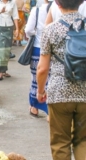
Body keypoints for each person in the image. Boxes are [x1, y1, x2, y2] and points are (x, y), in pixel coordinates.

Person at [36, 0, 86, 159]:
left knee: (60, 143)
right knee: (83, 141)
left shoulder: (50, 30)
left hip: (59, 93)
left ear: (57, 4)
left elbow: (42, 69)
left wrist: (40, 91)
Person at [25, 0, 52, 119]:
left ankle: (34, 107)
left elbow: (28, 30)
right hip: (56, 51)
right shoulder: (60, 9)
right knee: (52, 78)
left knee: (36, 78)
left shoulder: (37, 10)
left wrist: (36, 34)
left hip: (38, 48)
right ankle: (51, 109)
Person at [0, 0, 19, 81]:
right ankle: (0, 73)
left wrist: (17, 29)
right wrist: (0, 11)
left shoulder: (12, 2)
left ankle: (4, 71)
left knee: (7, 50)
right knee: (1, 49)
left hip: (9, 27)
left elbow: (15, 16)